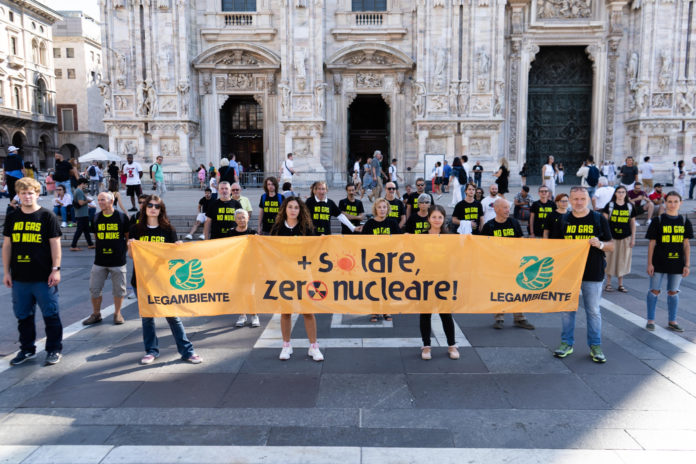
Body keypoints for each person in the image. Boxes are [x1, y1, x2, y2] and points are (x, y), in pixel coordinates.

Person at [128, 195, 203, 365]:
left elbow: (175, 259)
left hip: (163, 281)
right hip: (143, 280)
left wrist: (178, 249)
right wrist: (130, 246)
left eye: (157, 206)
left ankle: (187, 351)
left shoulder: (168, 229)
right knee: (147, 318)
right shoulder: (136, 229)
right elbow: (132, 256)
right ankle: (151, 351)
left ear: (161, 210)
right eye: (150, 205)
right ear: (145, 208)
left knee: (172, 316)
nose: (153, 208)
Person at [3, 177, 63, 366]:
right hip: (20, 277)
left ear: (37, 194)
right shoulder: (12, 216)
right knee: (23, 316)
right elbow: (7, 245)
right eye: (23, 193)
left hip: (44, 276)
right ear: (18, 195)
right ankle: (27, 349)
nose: (27, 196)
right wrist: (6, 271)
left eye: (31, 193)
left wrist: (56, 269)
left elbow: (55, 245)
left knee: (51, 315)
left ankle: (53, 349)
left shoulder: (47, 216)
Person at [551, 186, 614, 363]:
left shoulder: (598, 218)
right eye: (575, 199)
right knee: (566, 311)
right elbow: (554, 248)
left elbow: (611, 245)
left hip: (593, 271)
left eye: (582, 199)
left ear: (588, 200)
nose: (578, 202)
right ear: (569, 200)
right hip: (568, 272)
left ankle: (595, 345)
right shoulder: (563, 220)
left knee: (593, 311)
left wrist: (600, 244)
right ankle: (566, 343)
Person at [270, 197, 324, 361]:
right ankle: (286, 345)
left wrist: (322, 241)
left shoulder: (306, 227)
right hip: (284, 274)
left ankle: (313, 346)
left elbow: (315, 248)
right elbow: (269, 248)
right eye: (290, 207)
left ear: (300, 211)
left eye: (296, 208)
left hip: (303, 273)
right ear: (285, 209)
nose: (293, 210)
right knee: (286, 311)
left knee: (308, 310)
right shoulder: (278, 228)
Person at [481, 198, 535, 330]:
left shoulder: (513, 222)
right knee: (499, 291)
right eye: (505, 208)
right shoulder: (489, 226)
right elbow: (482, 246)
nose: (508, 210)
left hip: (514, 264)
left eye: (508, 208)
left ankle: (520, 318)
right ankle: (499, 317)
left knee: (517, 291)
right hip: (497, 266)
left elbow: (520, 241)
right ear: (496, 209)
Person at [645, 191, 692, 332]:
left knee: (673, 292)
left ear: (680, 203)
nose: (672, 204)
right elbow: (652, 244)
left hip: (677, 262)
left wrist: (687, 264)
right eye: (669, 201)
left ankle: (672, 320)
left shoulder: (684, 221)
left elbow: (686, 245)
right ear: (665, 203)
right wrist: (649, 263)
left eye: (675, 201)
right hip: (659, 261)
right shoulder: (658, 220)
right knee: (654, 291)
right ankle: (650, 320)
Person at [82, 191, 130, 326]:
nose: (100, 202)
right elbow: (96, 236)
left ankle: (117, 313)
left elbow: (127, 237)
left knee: (119, 289)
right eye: (98, 200)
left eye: (102, 199)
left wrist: (122, 252)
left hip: (118, 261)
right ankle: (96, 314)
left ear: (111, 201)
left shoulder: (121, 217)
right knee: (94, 288)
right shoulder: (96, 218)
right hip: (100, 261)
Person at [420, 205, 459, 360]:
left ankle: (452, 345)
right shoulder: (420, 237)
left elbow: (456, 257)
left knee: (445, 314)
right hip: (425, 280)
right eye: (434, 217)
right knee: (425, 314)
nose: (437, 220)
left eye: (440, 217)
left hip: (444, 280)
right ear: (429, 218)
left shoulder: (449, 238)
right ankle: (426, 346)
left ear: (444, 219)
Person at [362, 198, 401, 322]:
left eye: (384, 207)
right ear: (375, 209)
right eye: (379, 207)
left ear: (387, 209)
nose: (382, 210)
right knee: (374, 287)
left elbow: (399, 240)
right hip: (373, 262)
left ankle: (386, 310)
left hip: (389, 260)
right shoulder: (369, 224)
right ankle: (375, 311)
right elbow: (362, 243)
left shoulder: (393, 223)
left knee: (387, 287)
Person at [602, 186, 637, 293]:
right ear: (615, 193)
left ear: (626, 194)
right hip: (611, 238)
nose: (621, 194)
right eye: (619, 192)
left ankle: (620, 284)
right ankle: (608, 283)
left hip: (625, 237)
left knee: (623, 260)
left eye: (623, 192)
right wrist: (606, 237)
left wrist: (633, 238)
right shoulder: (610, 206)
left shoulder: (630, 206)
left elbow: (632, 223)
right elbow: (604, 222)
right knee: (609, 259)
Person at [230, 209, 260, 328]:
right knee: (240, 292)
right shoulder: (230, 233)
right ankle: (242, 315)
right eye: (239, 218)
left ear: (248, 218)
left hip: (250, 266)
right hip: (236, 267)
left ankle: (254, 315)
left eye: (243, 217)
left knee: (251, 292)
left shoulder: (253, 233)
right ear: (235, 220)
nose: (241, 220)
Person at [69, 178, 94, 251]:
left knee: (86, 230)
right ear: (82, 183)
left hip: (82, 214)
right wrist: (88, 201)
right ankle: (73, 246)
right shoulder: (79, 191)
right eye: (86, 184)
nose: (86, 186)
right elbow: (80, 203)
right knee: (79, 231)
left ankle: (90, 244)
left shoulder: (78, 191)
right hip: (81, 214)